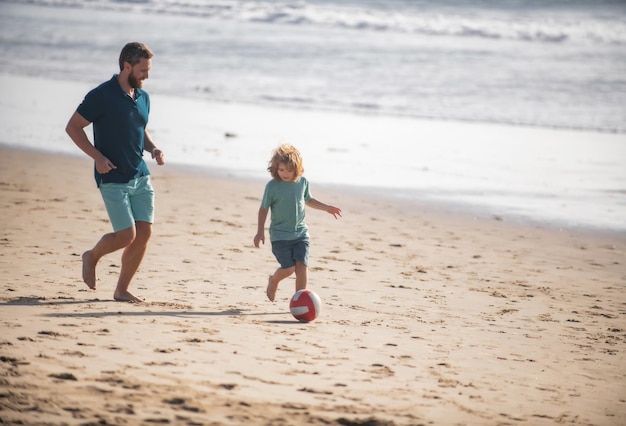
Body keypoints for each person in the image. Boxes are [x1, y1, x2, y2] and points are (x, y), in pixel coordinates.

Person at [65, 42, 165, 303]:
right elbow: (74, 127)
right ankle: (92, 256)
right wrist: (97, 157)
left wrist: (153, 149)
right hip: (112, 176)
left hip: (140, 175)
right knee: (126, 235)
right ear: (126, 66)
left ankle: (121, 289)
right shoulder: (102, 95)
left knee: (144, 233)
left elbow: (139, 129)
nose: (147, 75)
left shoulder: (143, 97)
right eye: (143, 70)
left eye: (149, 70)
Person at [254, 144, 342, 302]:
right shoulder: (273, 186)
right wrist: (260, 231)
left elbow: (308, 199)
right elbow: (263, 209)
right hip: (280, 236)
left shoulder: (302, 182)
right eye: (281, 170)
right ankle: (274, 280)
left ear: (297, 168)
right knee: (289, 268)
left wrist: (327, 208)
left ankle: (300, 300)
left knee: (302, 267)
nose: (285, 174)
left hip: (301, 234)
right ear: (275, 168)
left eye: (289, 170)